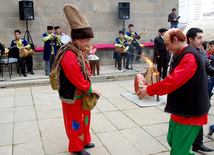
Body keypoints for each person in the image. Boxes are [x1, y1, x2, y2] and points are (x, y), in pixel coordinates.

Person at [137, 28, 210, 155]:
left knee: (178, 151)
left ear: (175, 40)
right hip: (181, 109)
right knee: (171, 140)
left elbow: (172, 81)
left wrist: (149, 90)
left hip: (190, 113)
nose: (166, 48)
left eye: (167, 44)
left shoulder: (189, 57)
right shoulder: (181, 54)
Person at [55, 4, 101, 155]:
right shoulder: (69, 53)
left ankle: (84, 140)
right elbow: (76, 77)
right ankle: (75, 146)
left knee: (85, 118)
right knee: (74, 122)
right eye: (87, 40)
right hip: (73, 95)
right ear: (78, 39)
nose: (88, 43)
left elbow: (84, 71)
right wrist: (90, 88)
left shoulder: (79, 51)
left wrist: (87, 88)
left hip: (82, 94)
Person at [186, 28, 214, 152]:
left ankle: (198, 143)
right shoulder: (184, 53)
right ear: (190, 39)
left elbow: (207, 68)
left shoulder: (202, 52)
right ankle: (188, 143)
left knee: (200, 116)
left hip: (202, 90)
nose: (202, 41)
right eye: (199, 38)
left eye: (202, 38)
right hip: (190, 92)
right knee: (191, 118)